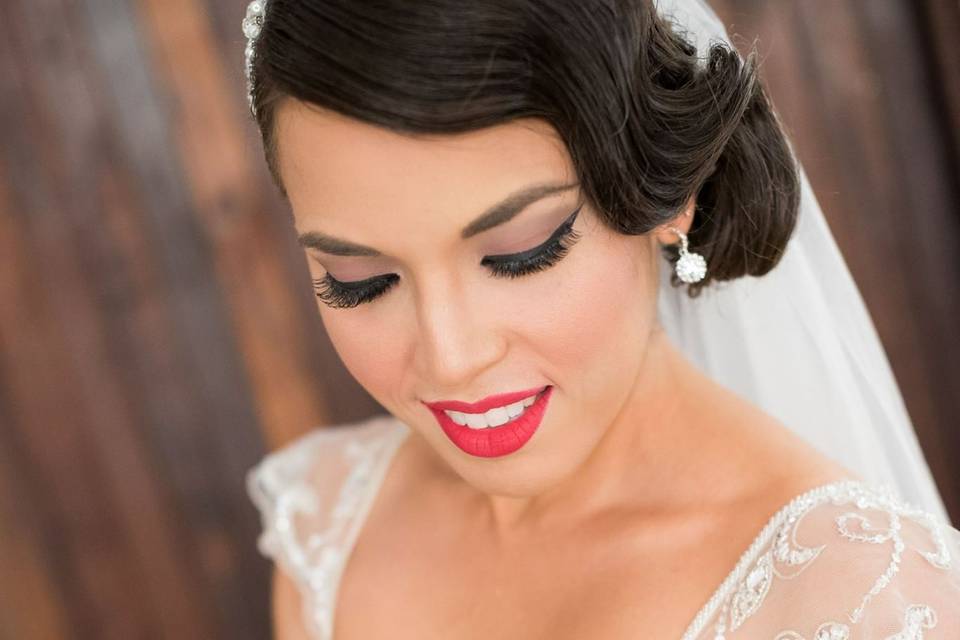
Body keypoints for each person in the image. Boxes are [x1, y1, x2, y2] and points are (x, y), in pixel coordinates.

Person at [240, 0, 960, 638]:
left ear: (669, 193)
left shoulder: (868, 605)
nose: (451, 357)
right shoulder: (330, 528)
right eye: (361, 282)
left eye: (522, 254)